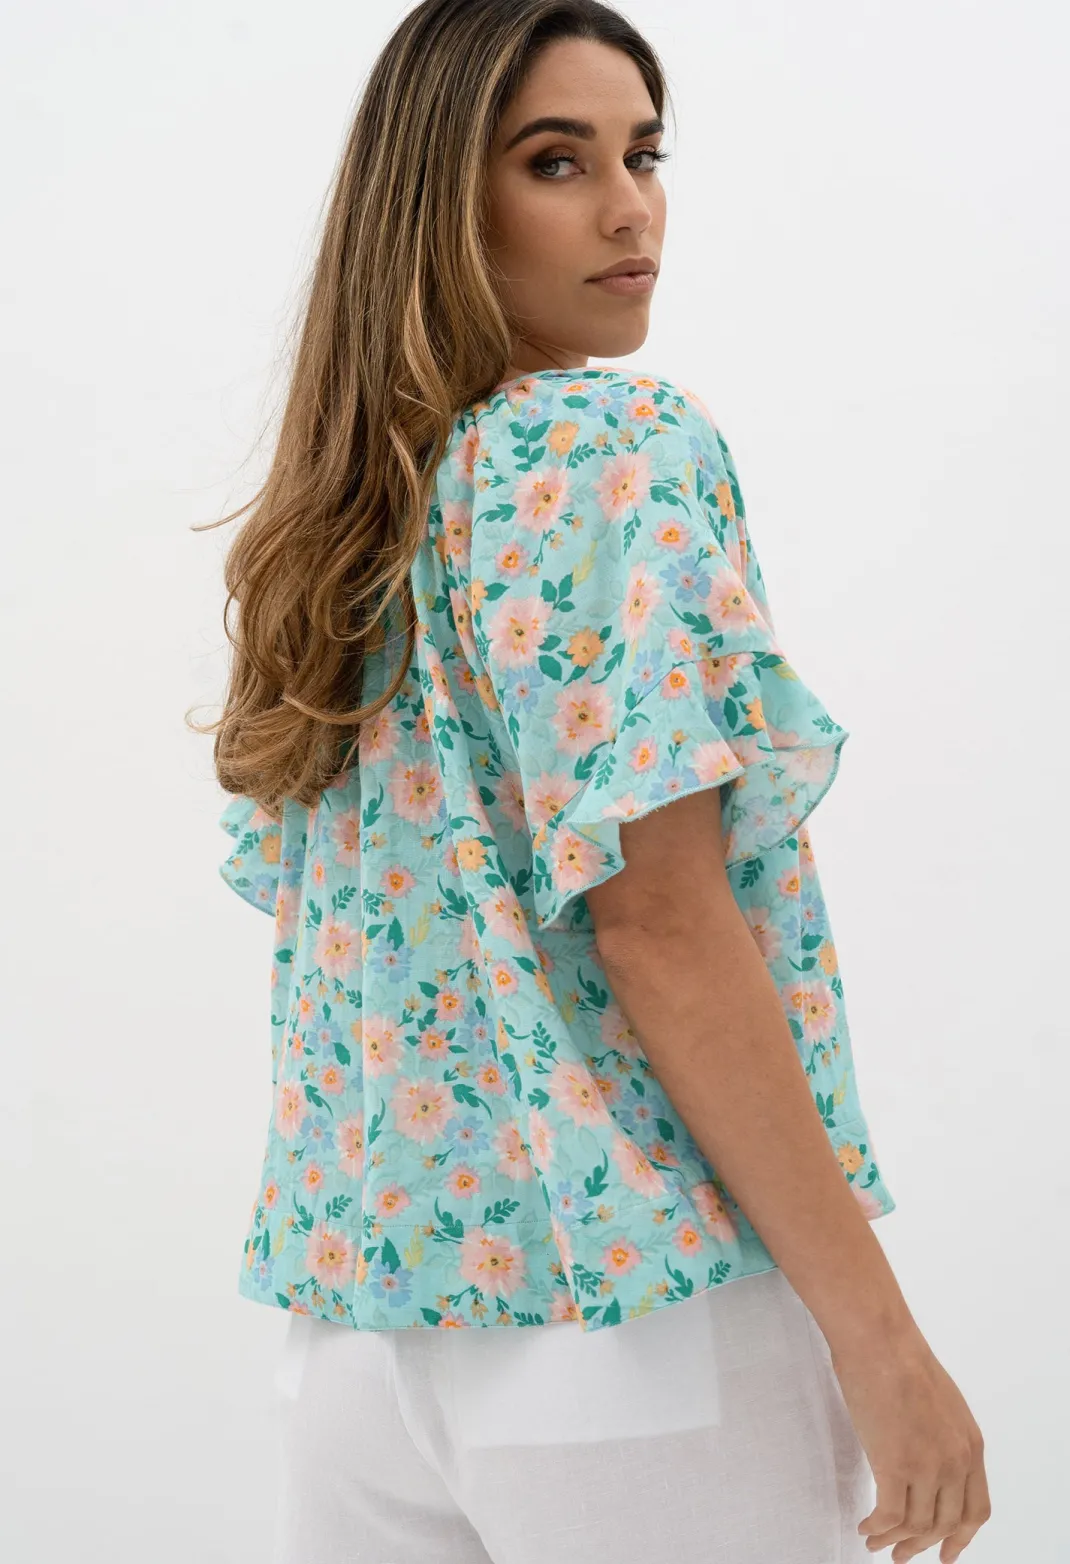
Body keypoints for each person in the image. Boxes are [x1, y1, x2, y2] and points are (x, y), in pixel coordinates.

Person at [192, 2, 991, 1560]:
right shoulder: (612, 441)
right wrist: (882, 1344)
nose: (630, 208)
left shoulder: (342, 522)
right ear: (439, 198)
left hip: (362, 1342)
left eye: (643, 153)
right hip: (629, 1320)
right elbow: (661, 927)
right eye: (556, 161)